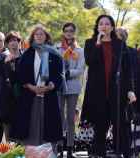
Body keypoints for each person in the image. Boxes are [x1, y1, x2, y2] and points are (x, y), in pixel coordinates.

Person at [81, 15, 136, 157]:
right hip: (98, 92)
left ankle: (124, 153)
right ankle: (99, 154)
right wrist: (98, 43)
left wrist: (130, 90)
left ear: (112, 27)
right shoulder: (90, 42)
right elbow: (90, 61)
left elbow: (127, 69)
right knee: (100, 127)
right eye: (101, 24)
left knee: (121, 127)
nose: (104, 26)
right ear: (97, 27)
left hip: (118, 91)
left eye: (107, 24)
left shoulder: (120, 44)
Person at [9, 25, 63, 151]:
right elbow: (20, 75)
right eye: (36, 34)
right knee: (29, 125)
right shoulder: (27, 54)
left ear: (46, 37)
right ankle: (31, 152)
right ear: (33, 37)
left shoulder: (54, 53)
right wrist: (31, 87)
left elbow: (59, 75)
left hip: (48, 95)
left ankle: (47, 152)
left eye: (41, 34)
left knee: (49, 127)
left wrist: (50, 86)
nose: (39, 36)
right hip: (30, 95)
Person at [56, 22, 85, 158]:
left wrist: (68, 73)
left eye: (71, 31)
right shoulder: (57, 48)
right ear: (63, 32)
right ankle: (59, 147)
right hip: (60, 86)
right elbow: (54, 66)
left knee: (70, 118)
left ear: (74, 33)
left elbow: (80, 69)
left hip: (73, 86)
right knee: (60, 116)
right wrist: (60, 74)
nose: (68, 33)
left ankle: (70, 148)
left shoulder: (79, 50)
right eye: (66, 30)